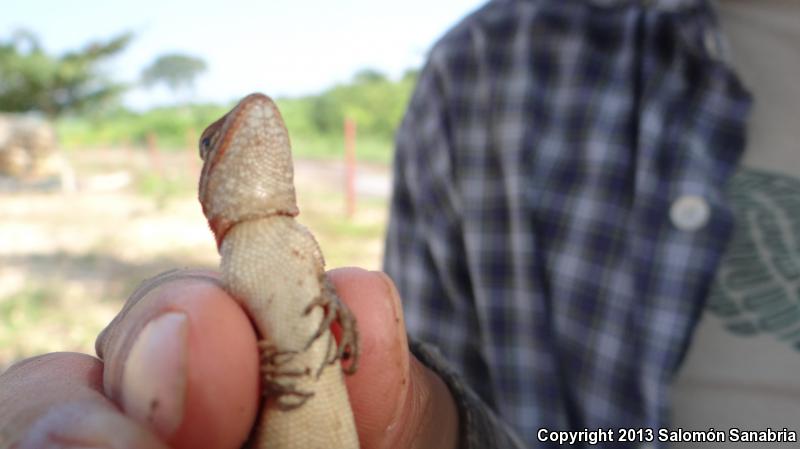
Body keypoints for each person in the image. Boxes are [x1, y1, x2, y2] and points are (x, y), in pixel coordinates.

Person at [2, 0, 798, 448]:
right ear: (210, 194)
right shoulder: (485, 69)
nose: (248, 125)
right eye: (215, 143)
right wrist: (425, 420)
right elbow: (435, 380)